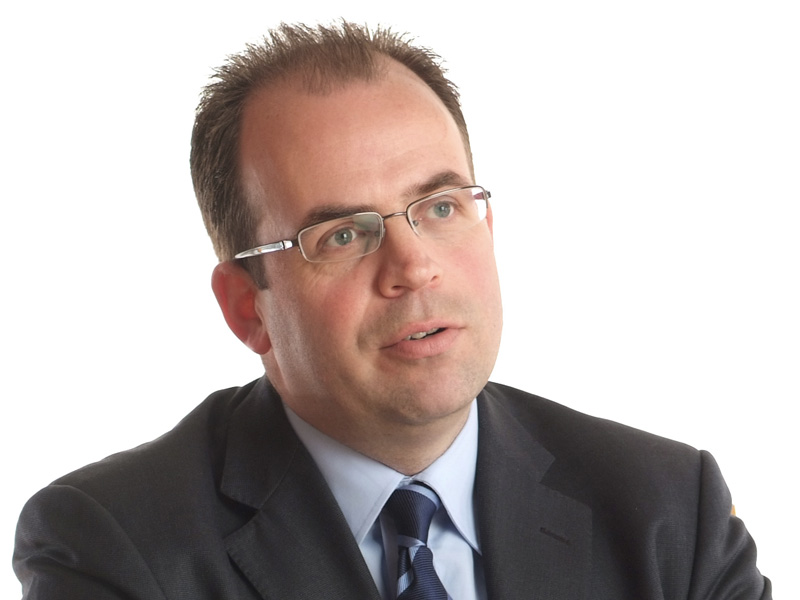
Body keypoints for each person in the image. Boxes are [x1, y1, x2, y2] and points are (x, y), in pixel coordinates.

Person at [13, 21, 771, 600]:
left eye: (440, 207)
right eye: (342, 234)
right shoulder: (113, 546)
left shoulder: (671, 510)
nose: (413, 266)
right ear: (248, 308)